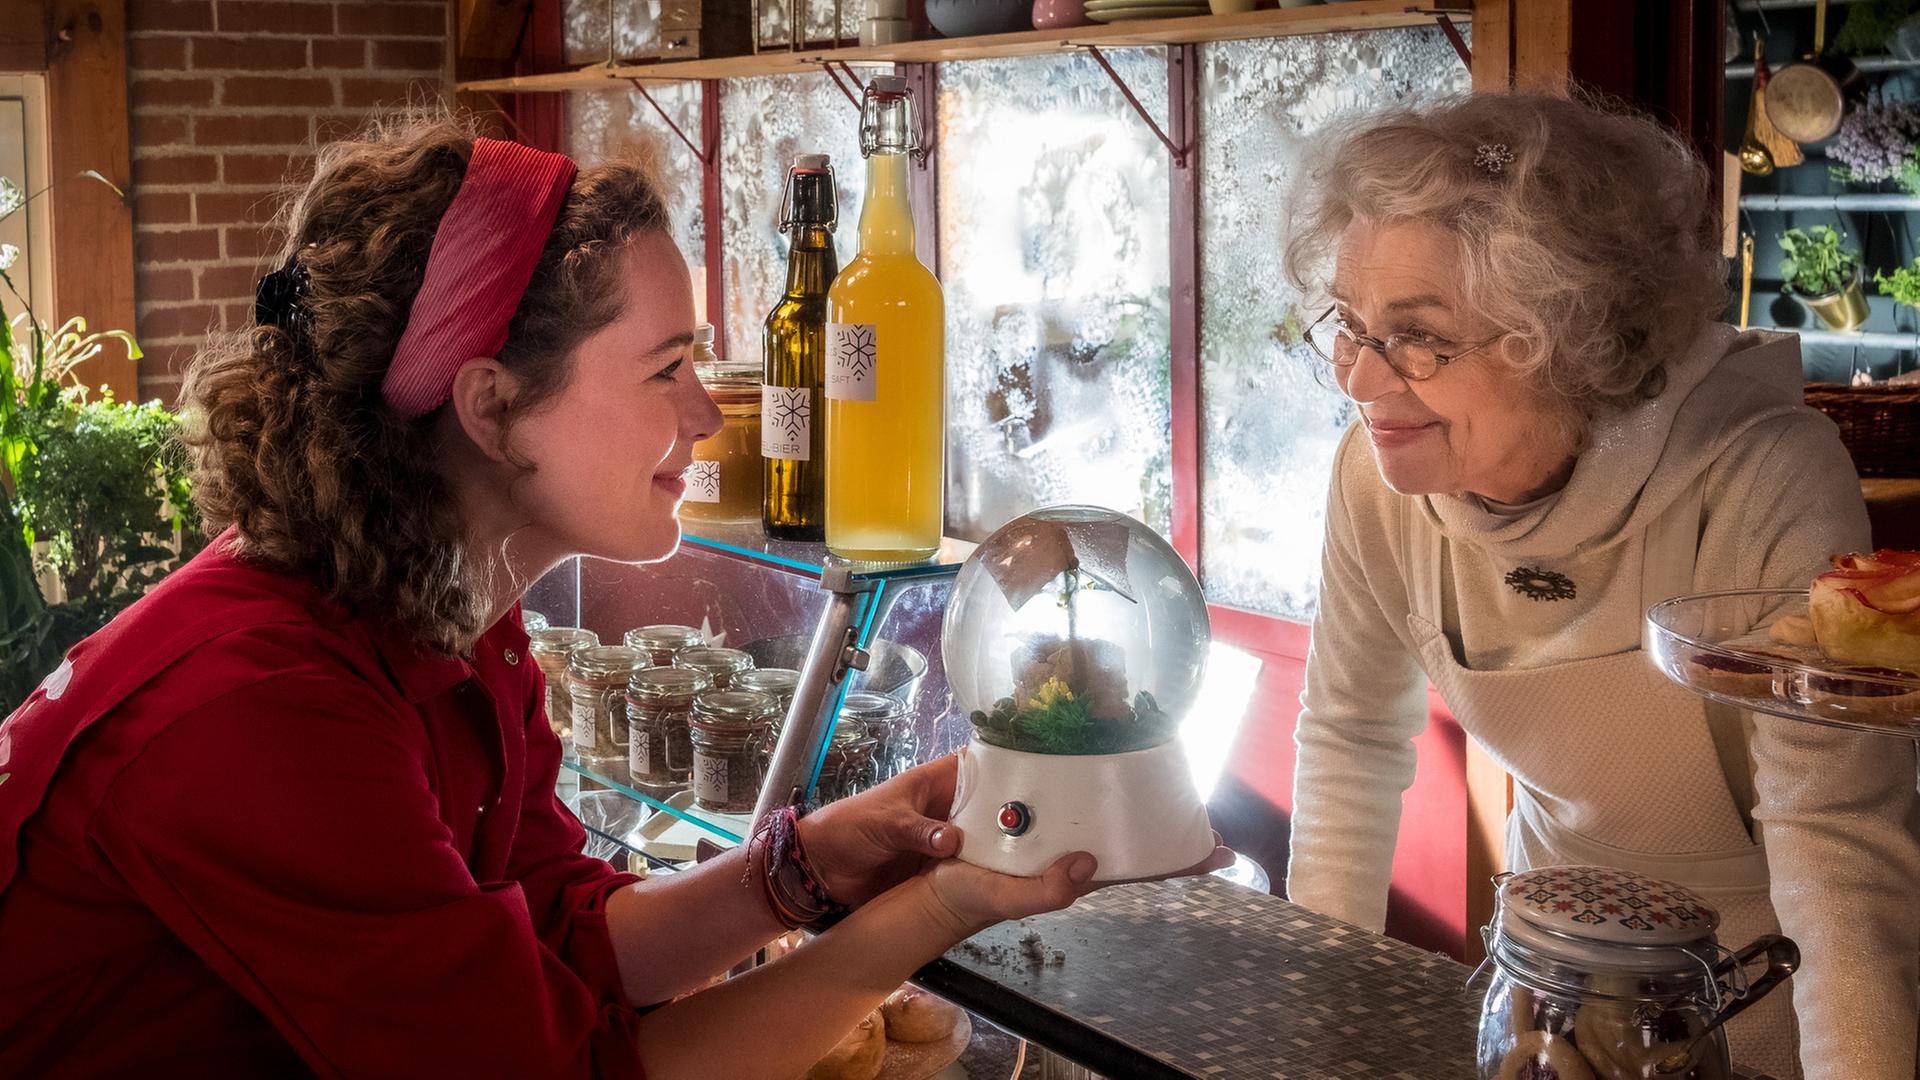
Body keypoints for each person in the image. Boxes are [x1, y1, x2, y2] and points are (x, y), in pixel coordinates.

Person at [0, 112, 1233, 1077]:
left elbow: (558, 934)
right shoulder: (258, 710)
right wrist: (938, 910)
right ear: (490, 408)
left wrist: (805, 873)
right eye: (668, 367)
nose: (706, 415)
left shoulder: (448, 616)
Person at [1281, 92, 1920, 1079]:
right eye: (1350, 325)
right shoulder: (1377, 478)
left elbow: (1835, 854)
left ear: (1562, 338)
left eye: (1418, 339)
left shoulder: (1760, 477)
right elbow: (1350, 738)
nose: (1361, 381)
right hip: (1542, 1004)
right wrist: (1311, 1037)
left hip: (1767, 1019)